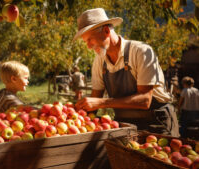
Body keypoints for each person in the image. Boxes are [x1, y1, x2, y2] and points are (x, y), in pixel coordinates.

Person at [73, 8, 179, 137]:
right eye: (86, 42)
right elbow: (96, 98)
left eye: (90, 39)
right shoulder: (99, 61)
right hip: (126, 125)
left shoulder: (141, 51)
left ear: (106, 31)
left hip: (157, 123)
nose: (88, 46)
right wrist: (74, 119)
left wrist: (101, 103)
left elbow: (145, 100)